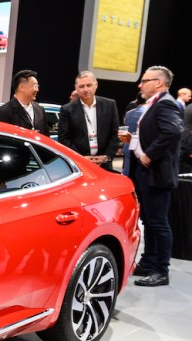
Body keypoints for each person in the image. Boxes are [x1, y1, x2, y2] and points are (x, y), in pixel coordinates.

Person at [127, 65, 182, 287]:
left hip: (156, 172)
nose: (140, 84)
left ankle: (161, 269)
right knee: (149, 220)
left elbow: (173, 131)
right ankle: (148, 261)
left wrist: (150, 154)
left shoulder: (166, 102)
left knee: (158, 222)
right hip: (146, 171)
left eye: (145, 80)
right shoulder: (155, 103)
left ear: (158, 82)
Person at [58, 70, 120, 171]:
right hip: (79, 165)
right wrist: (80, 158)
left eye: (89, 85)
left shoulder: (110, 105)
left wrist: (106, 157)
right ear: (76, 88)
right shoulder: (67, 109)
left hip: (104, 164)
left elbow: (115, 134)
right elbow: (63, 139)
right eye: (81, 86)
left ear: (96, 85)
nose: (86, 89)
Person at [0, 69, 49, 136]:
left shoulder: (40, 110)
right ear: (22, 87)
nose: (37, 90)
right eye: (35, 86)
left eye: (37, 86)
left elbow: (46, 136)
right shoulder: (4, 111)